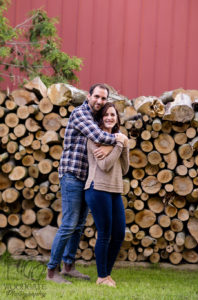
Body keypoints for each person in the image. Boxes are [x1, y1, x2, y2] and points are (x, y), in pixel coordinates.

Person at [46, 83, 126, 284]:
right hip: (72, 174)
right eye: (97, 96)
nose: (100, 101)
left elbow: (103, 143)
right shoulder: (81, 113)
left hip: (87, 178)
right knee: (70, 223)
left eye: (103, 98)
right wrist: (121, 139)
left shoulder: (97, 117)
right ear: (88, 96)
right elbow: (99, 137)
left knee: (79, 225)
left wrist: (111, 147)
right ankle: (51, 271)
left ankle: (69, 266)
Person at [85, 102, 129, 287]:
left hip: (115, 189)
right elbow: (105, 165)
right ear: (100, 118)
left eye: (113, 114)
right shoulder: (95, 138)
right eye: (106, 115)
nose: (110, 118)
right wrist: (120, 143)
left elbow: (125, 168)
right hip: (97, 188)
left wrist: (123, 146)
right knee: (104, 233)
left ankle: (107, 274)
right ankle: (102, 277)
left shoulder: (118, 139)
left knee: (119, 234)